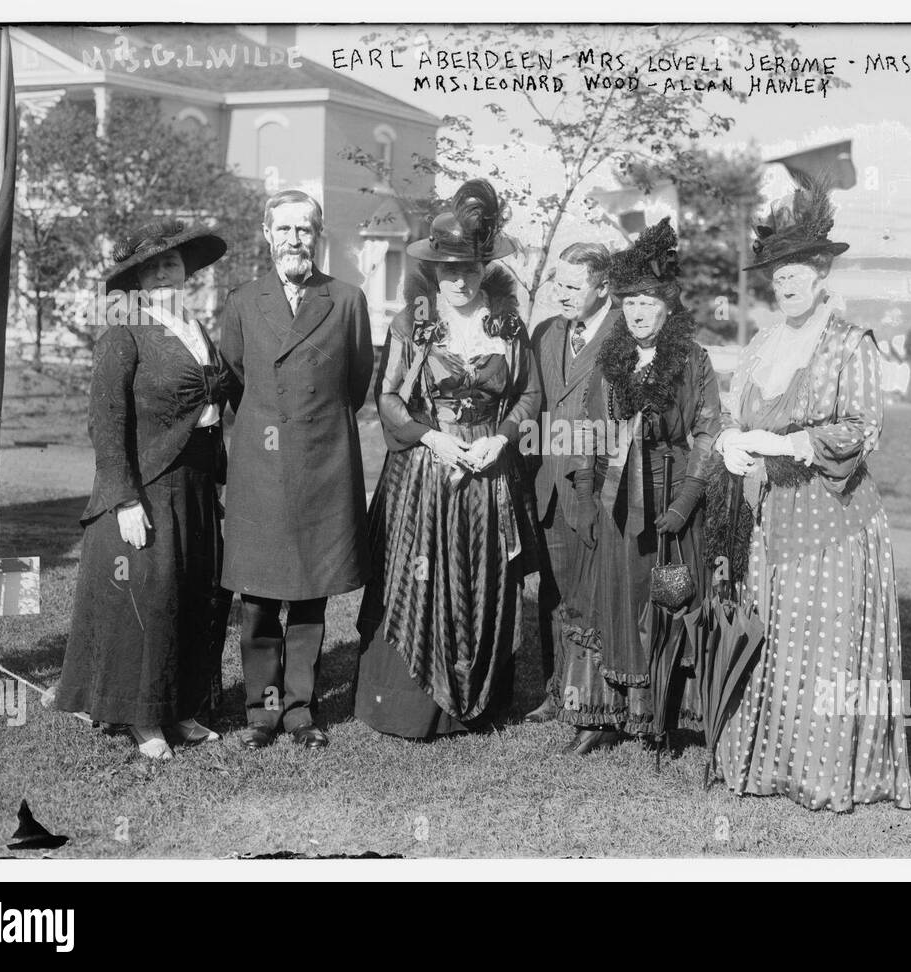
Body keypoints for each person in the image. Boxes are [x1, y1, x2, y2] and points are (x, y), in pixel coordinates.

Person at [711, 182, 911, 810]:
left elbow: (859, 431)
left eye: (799, 268)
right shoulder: (763, 344)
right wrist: (729, 443)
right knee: (776, 635)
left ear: (823, 272)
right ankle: (768, 764)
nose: (787, 281)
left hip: (835, 517)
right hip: (770, 513)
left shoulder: (850, 344)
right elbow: (730, 414)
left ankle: (822, 774)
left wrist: (783, 445)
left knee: (822, 645)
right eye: (778, 271)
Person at [352, 179, 541, 740]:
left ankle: (478, 699)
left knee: (483, 575)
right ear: (433, 270)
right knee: (420, 574)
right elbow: (386, 395)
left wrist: (502, 438)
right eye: (447, 270)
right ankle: (411, 704)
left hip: (488, 471)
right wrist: (430, 438)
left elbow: (529, 394)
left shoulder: (508, 325)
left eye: (469, 270)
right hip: (427, 471)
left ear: (485, 268)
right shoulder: (414, 321)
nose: (457, 281)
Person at [55, 219, 231, 760]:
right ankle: (142, 717)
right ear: (135, 280)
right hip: (147, 487)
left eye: (172, 265)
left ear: (187, 273)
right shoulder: (125, 334)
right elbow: (104, 424)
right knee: (150, 601)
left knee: (195, 595)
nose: (163, 275)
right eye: (151, 268)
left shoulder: (198, 327)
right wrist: (125, 498)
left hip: (198, 486)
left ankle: (182, 708)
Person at [557, 219, 721, 756]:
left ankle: (663, 716)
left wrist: (687, 499)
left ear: (668, 306)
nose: (638, 313)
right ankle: (605, 717)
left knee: (663, 603)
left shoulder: (693, 362)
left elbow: (706, 432)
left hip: (669, 500)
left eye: (648, 303)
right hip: (613, 501)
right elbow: (589, 429)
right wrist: (584, 490)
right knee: (611, 604)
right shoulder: (612, 360)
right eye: (630, 304)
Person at [219, 189, 374, 750]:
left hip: (323, 461)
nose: (294, 240)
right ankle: (262, 712)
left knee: (312, 594)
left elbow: (356, 384)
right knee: (258, 599)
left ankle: (300, 710)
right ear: (266, 234)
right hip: (261, 466)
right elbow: (235, 379)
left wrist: (315, 428)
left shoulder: (348, 300)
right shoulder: (241, 300)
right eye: (283, 229)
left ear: (319, 235)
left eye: (304, 230)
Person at [524, 242, 617, 724]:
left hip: (598, 489)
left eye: (572, 285)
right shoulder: (544, 332)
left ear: (603, 288)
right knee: (554, 593)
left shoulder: (626, 336)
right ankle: (555, 691)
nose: (560, 293)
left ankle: (596, 696)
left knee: (594, 595)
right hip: (548, 486)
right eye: (556, 282)